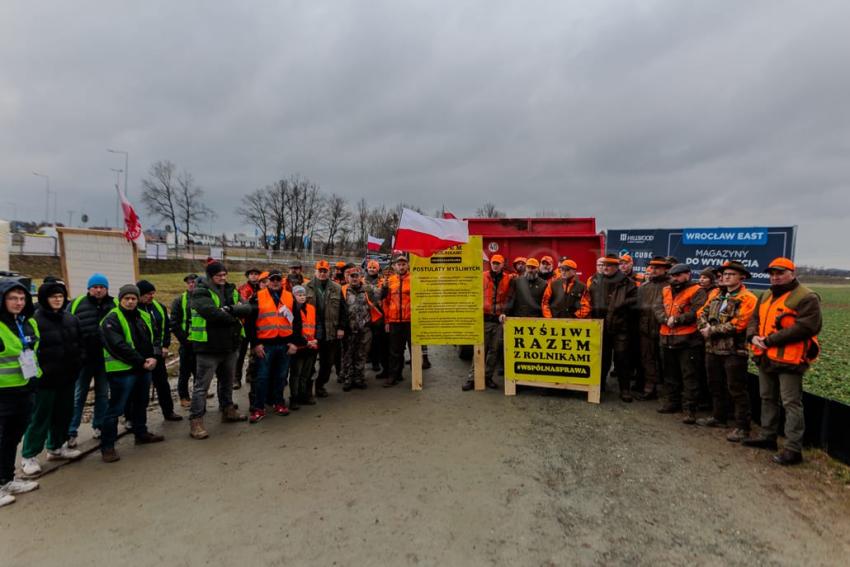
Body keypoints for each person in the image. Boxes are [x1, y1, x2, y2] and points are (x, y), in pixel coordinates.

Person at [744, 258, 822, 465]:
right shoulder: (766, 295)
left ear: (792, 273)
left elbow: (806, 327)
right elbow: (754, 319)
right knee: (767, 397)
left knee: (791, 403)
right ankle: (767, 436)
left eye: (780, 273)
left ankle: (793, 449)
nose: (775, 277)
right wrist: (752, 336)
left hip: (790, 359)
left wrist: (768, 340)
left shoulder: (807, 297)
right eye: (772, 273)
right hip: (766, 356)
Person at [20, 280, 84, 476]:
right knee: (40, 418)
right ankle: (29, 455)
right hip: (45, 381)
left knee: (63, 414)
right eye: (53, 296)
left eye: (60, 296)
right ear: (44, 299)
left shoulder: (71, 319)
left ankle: (56, 447)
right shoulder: (33, 321)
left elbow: (79, 344)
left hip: (67, 377)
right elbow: (28, 351)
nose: (57, 299)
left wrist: (78, 363)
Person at [99, 284, 165, 463]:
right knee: (116, 408)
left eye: (133, 298)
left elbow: (155, 337)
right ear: (120, 300)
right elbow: (118, 346)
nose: (130, 301)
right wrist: (142, 361)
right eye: (126, 298)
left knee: (140, 403)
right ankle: (108, 446)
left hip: (143, 368)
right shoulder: (111, 319)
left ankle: (141, 433)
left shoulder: (143, 316)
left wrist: (154, 356)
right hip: (122, 370)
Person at [187, 261, 252, 439]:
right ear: (210, 276)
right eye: (218, 275)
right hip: (208, 348)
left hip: (230, 345)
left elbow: (247, 308)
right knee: (202, 387)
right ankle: (196, 421)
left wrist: (230, 309)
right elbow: (211, 314)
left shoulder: (232, 289)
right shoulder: (200, 291)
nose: (222, 278)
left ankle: (227, 409)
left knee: (227, 382)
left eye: (224, 274)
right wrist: (233, 316)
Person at [696, 261, 758, 442]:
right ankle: (718, 417)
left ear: (742, 277)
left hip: (734, 352)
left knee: (737, 389)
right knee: (715, 385)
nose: (726, 276)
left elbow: (739, 324)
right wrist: (703, 325)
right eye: (724, 274)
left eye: (731, 274)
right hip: (712, 350)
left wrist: (711, 331)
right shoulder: (717, 296)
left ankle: (742, 427)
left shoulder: (748, 298)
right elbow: (701, 313)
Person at [0, 279, 41, 506]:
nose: (18, 302)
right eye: (13, 298)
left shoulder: (27, 324)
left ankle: (6, 479)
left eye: (22, 298)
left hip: (24, 389)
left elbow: (33, 354)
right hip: (2, 392)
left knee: (12, 438)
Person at [67, 273, 116, 447]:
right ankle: (71, 431)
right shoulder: (77, 304)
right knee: (78, 395)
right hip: (83, 360)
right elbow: (67, 327)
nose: (98, 290)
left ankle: (99, 426)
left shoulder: (114, 304)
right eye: (95, 287)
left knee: (103, 394)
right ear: (89, 288)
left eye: (101, 287)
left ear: (106, 288)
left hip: (105, 360)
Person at [654, 264, 707, 422]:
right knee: (670, 374)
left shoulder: (697, 290)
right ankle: (672, 403)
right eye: (672, 275)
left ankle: (689, 409)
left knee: (689, 376)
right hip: (666, 337)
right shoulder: (665, 290)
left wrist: (677, 320)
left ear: (688, 275)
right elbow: (657, 308)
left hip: (688, 340)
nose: (674, 278)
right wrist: (665, 319)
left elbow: (698, 311)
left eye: (678, 275)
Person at [245, 270, 297, 423]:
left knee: (281, 377)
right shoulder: (257, 297)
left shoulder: (289, 296)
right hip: (265, 345)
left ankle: (279, 403)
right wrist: (255, 344)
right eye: (272, 279)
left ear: (282, 281)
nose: (275, 282)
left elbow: (296, 321)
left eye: (278, 279)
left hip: (284, 344)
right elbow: (249, 323)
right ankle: (258, 408)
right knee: (262, 378)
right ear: (267, 281)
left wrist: (294, 342)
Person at [586, 254, 638, 401]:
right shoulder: (596, 280)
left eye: (609, 265)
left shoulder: (627, 282)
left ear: (616, 267)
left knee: (622, 358)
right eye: (604, 265)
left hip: (621, 326)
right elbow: (590, 300)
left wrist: (621, 303)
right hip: (600, 326)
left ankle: (625, 390)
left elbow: (635, 300)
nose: (605, 268)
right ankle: (600, 384)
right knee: (602, 358)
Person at [131, 280, 181, 422]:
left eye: (153, 293)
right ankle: (135, 418)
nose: (151, 296)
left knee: (162, 383)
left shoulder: (159, 307)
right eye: (148, 294)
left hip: (157, 352)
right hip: (140, 354)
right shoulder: (133, 309)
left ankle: (168, 411)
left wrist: (165, 345)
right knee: (139, 387)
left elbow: (166, 328)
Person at [464, 254, 512, 391]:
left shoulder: (508, 279)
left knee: (494, 350)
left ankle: (488, 377)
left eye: (498, 263)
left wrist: (505, 313)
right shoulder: (481, 276)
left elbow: (510, 297)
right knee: (479, 349)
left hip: (498, 321)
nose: (495, 265)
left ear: (503, 265)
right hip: (483, 319)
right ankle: (472, 379)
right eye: (493, 263)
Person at [305, 260, 345, 397]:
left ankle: (320, 385)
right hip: (312, 332)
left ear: (329, 272)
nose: (322, 273)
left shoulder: (337, 288)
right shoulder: (306, 288)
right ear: (315, 271)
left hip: (330, 331)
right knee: (309, 363)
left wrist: (341, 327)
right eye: (320, 271)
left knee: (327, 363)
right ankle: (307, 390)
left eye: (325, 271)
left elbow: (343, 310)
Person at [634, 257, 671, 401]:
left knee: (666, 362)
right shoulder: (644, 287)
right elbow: (637, 309)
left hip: (665, 330)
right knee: (647, 359)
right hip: (645, 330)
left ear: (665, 269)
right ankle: (650, 389)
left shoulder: (670, 286)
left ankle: (669, 393)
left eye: (657, 267)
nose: (654, 270)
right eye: (652, 267)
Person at [341, 266, 381, 391]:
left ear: (360, 277)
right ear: (348, 278)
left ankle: (359, 378)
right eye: (351, 276)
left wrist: (384, 286)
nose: (354, 278)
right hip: (349, 330)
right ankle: (348, 379)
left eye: (356, 276)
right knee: (348, 355)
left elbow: (381, 295)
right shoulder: (343, 290)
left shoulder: (368, 289)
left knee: (361, 354)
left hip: (365, 328)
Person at [381, 254, 413, 388]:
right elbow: (385, 302)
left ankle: (416, 376)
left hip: (411, 321)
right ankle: (394, 375)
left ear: (408, 265)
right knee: (395, 351)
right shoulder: (389, 281)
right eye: (399, 264)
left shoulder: (414, 279)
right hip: (394, 321)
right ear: (394, 266)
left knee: (414, 350)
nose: (401, 266)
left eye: (403, 264)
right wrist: (387, 321)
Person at [287, 286, 318, 410]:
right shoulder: (291, 310)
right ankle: (294, 398)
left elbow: (316, 324)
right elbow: (293, 330)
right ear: (293, 296)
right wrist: (306, 342)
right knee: (296, 374)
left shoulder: (311, 308)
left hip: (311, 345)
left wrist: (316, 340)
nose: (301, 297)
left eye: (303, 295)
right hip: (299, 346)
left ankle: (303, 395)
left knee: (306, 373)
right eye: (299, 295)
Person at [171, 273, 198, 408]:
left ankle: (198, 394)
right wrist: (184, 339)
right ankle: (184, 396)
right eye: (190, 282)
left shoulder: (203, 298)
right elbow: (174, 323)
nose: (192, 284)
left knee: (199, 371)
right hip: (186, 342)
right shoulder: (179, 300)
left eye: (194, 282)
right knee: (185, 372)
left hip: (200, 342)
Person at [234, 268, 261, 390]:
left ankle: (250, 374)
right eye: (251, 274)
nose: (254, 276)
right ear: (247, 276)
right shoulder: (242, 288)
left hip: (257, 324)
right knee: (240, 353)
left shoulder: (262, 289)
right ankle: (236, 379)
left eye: (256, 274)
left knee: (255, 352)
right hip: (244, 324)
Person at [364, 260, 388, 376]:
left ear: (378, 269)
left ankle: (376, 362)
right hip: (366, 315)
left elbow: (385, 296)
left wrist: (385, 289)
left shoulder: (383, 281)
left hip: (379, 315)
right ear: (367, 268)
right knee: (367, 340)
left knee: (378, 340)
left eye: (374, 267)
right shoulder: (362, 281)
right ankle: (367, 359)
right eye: (370, 267)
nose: (372, 269)